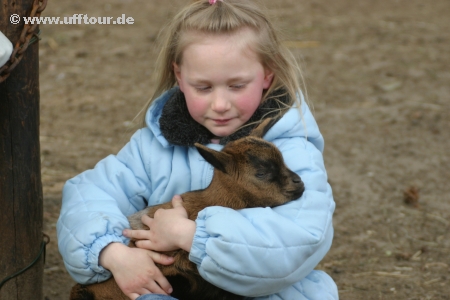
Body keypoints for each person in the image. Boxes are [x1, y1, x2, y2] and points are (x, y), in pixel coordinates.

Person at [57, 0, 338, 299]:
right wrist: (113, 253)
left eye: (237, 85)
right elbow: (89, 195)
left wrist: (190, 235)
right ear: (179, 76)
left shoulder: (291, 151)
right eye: (203, 88)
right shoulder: (152, 148)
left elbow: (297, 239)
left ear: (267, 74)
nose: (219, 104)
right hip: (171, 286)